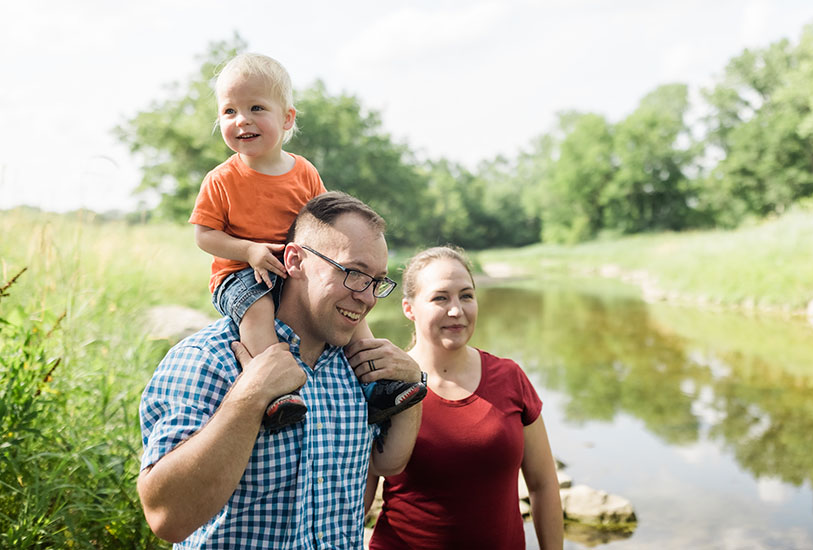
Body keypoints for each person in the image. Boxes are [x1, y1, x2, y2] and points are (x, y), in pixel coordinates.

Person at [138, 192, 424, 548]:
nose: (366, 297)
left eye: (377, 281)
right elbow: (167, 517)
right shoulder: (207, 359)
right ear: (295, 260)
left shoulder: (359, 367)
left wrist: (414, 386)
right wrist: (250, 396)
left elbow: (386, 465)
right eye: (353, 273)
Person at [189, 53, 424, 430]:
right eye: (229, 111)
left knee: (354, 315)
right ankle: (275, 392)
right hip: (242, 272)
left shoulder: (304, 171)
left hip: (297, 266)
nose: (242, 120)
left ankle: (378, 387)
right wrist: (249, 250)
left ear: (286, 119)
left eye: (256, 107)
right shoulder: (221, 179)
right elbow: (204, 235)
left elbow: (327, 219)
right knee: (258, 312)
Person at [367, 246, 564, 550]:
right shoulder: (385, 386)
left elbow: (543, 484)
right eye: (440, 298)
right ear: (409, 308)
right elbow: (356, 503)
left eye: (466, 296)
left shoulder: (510, 377)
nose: (457, 310)